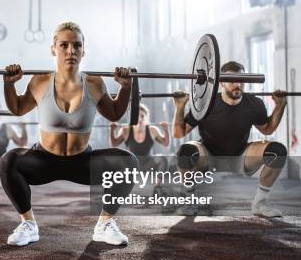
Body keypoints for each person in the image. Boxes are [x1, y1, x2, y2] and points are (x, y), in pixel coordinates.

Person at [0, 21, 138, 247]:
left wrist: (125, 88)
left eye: (77, 45)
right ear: (53, 49)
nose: (71, 51)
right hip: (44, 160)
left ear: (84, 50)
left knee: (127, 163)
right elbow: (16, 108)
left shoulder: (94, 83)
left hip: (81, 162)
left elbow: (114, 114)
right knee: (9, 161)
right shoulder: (40, 81)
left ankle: (104, 225)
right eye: (64, 45)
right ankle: (28, 225)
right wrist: (8, 84)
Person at [172, 60, 288, 217]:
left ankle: (260, 203)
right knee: (185, 152)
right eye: (232, 80)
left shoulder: (254, 103)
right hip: (208, 155)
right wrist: (180, 107)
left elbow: (267, 129)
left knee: (277, 151)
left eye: (241, 80)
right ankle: (189, 202)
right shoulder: (206, 103)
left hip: (241, 155)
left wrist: (280, 106)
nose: (238, 84)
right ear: (221, 83)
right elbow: (179, 133)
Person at [109, 104, 170, 188]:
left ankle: (157, 186)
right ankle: (118, 188)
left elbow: (165, 143)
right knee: (117, 159)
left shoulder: (152, 130)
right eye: (137, 116)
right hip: (132, 165)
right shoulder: (125, 130)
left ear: (146, 117)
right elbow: (114, 144)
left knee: (162, 159)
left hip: (148, 163)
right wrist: (112, 131)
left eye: (142, 116)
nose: (140, 119)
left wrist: (166, 130)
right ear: (132, 117)